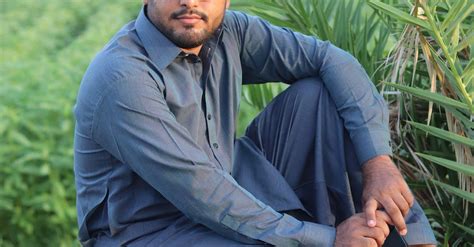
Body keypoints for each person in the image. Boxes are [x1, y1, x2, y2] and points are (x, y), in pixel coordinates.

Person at [73, 0, 437, 246]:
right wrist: (328, 240)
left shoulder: (229, 32)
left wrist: (379, 164)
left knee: (318, 94)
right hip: (152, 231)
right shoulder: (122, 79)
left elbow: (331, 59)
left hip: (232, 184)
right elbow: (205, 195)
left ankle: (408, 236)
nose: (191, 1)